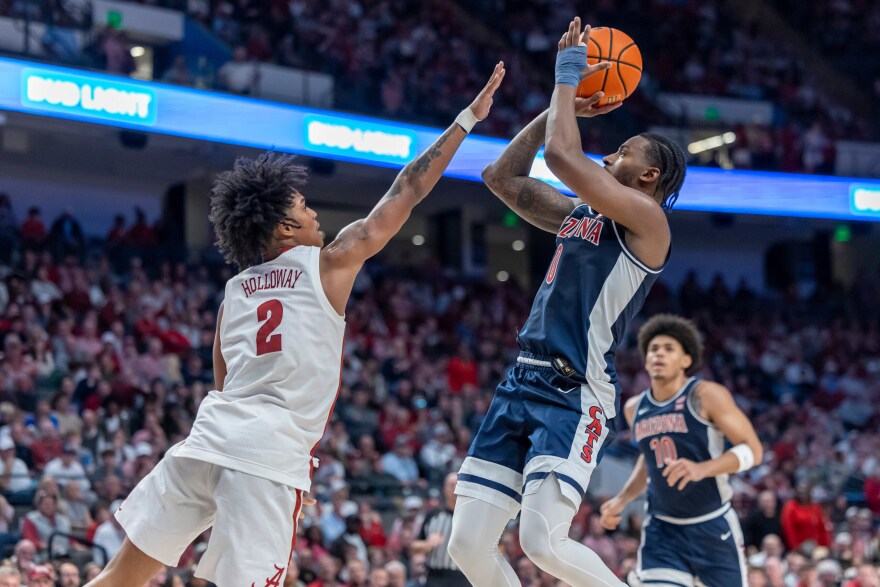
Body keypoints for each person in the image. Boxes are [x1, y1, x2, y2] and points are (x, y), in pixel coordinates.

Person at [85, 62, 506, 587]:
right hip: (268, 456)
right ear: (286, 227)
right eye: (304, 208)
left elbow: (225, 383)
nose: (316, 216)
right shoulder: (330, 262)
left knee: (118, 577)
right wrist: (467, 118)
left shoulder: (233, 294)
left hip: (206, 443)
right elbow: (406, 190)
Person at [448, 19, 687, 587]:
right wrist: (561, 111)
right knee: (465, 545)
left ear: (648, 174)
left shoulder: (648, 223)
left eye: (623, 151)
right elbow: (501, 176)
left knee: (541, 541)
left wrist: (568, 77)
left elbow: (560, 157)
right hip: (520, 381)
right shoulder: (582, 215)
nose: (609, 154)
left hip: (574, 389)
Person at [598, 314, 764, 586]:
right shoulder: (634, 408)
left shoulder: (706, 394)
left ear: (686, 360)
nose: (658, 354)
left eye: (668, 349)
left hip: (712, 526)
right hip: (663, 530)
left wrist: (702, 469)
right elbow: (648, 460)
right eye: (653, 349)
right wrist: (623, 499)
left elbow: (753, 451)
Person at [411, 473, 466, 587]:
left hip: (464, 577)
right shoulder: (432, 516)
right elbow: (414, 546)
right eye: (451, 485)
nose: (455, 488)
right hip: (436, 577)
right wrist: (427, 544)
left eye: (459, 484)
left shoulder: (472, 517)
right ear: (444, 489)